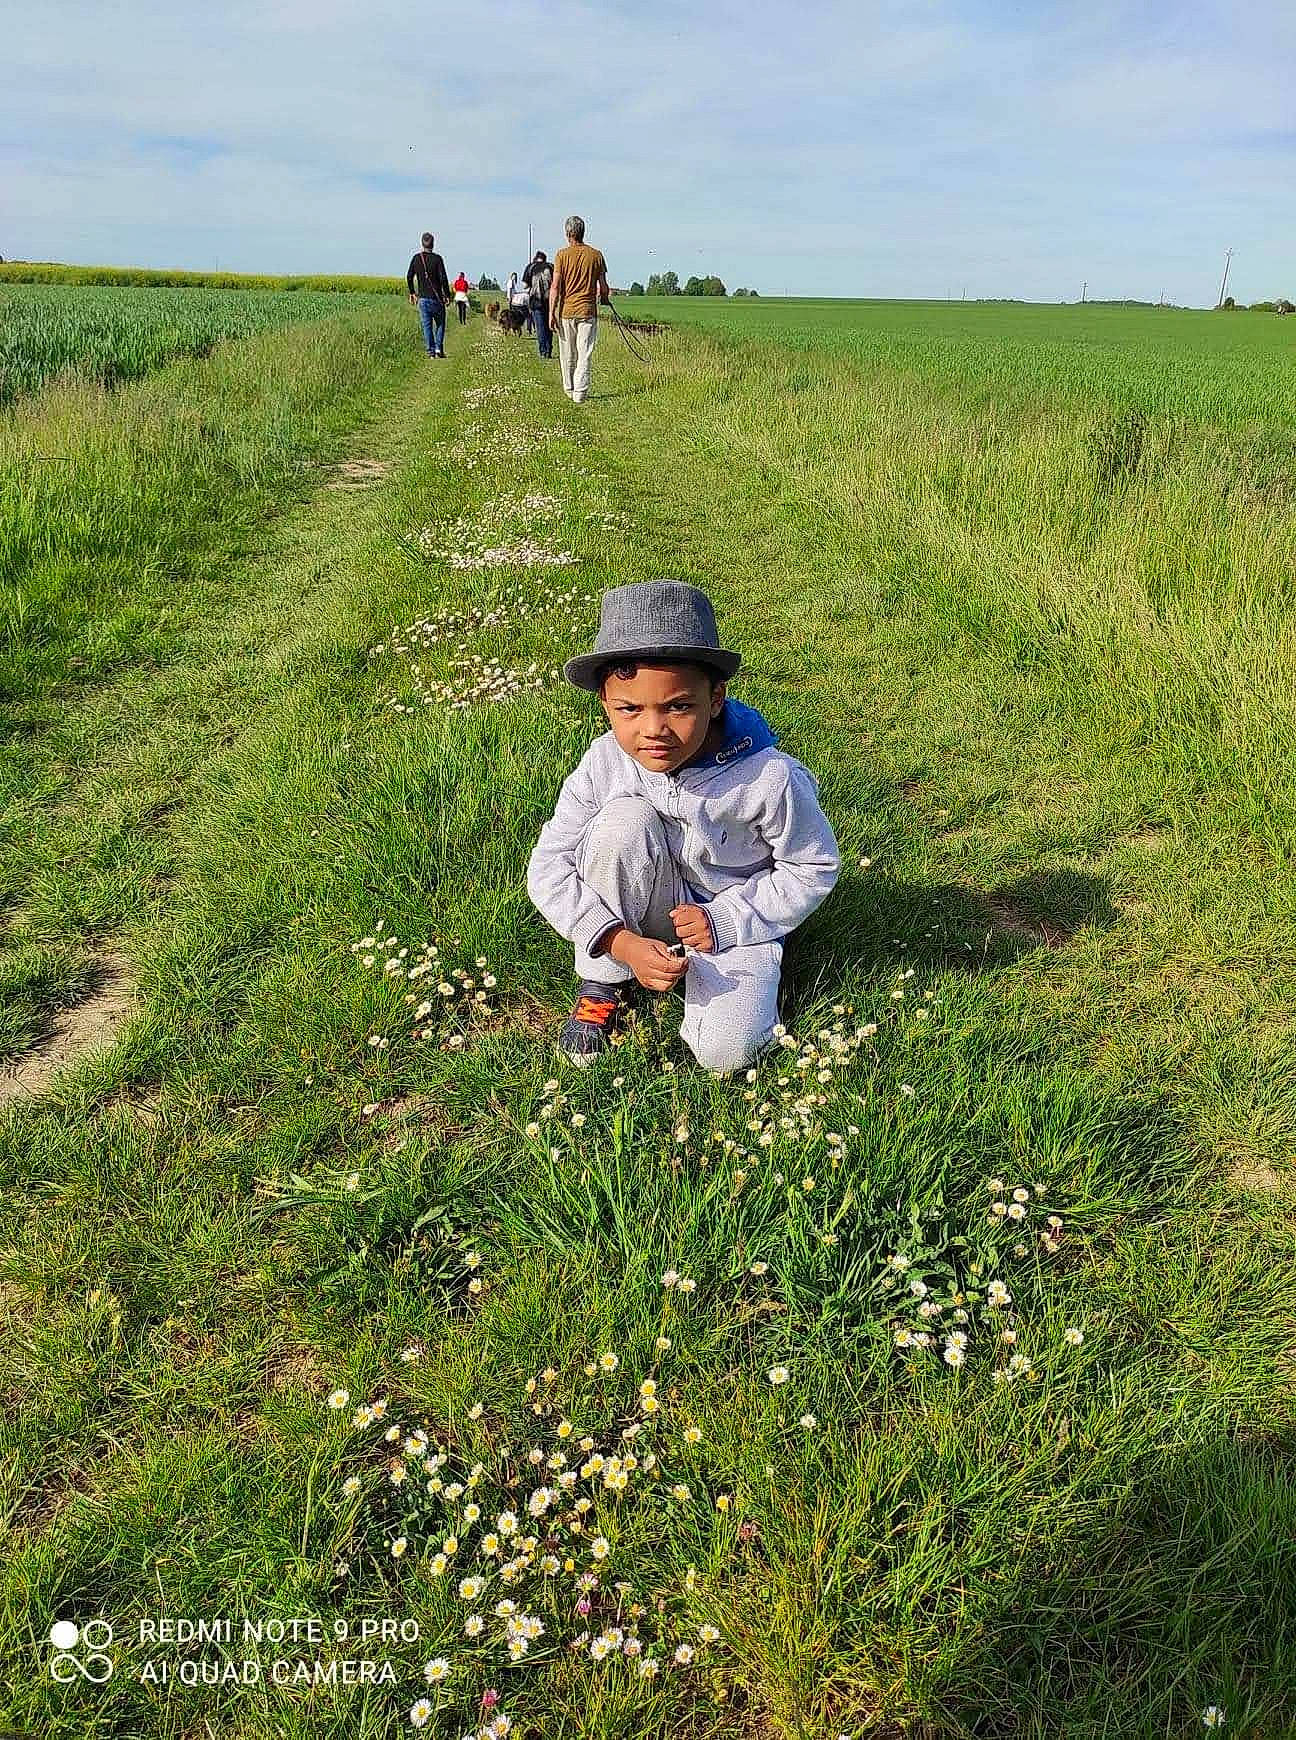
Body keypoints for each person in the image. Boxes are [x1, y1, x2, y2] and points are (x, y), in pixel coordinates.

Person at [527, 580, 840, 1070]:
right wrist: (619, 941)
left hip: (735, 922)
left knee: (728, 1053)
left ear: (715, 699)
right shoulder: (604, 762)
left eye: (678, 706)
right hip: (643, 906)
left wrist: (727, 920)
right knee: (621, 823)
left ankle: (741, 976)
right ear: (605, 705)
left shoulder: (769, 777)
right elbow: (549, 865)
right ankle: (605, 979)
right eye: (628, 709)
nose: (653, 729)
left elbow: (812, 868)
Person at [549, 216, 609, 403]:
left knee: (567, 353)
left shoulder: (561, 255)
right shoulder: (596, 255)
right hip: (587, 312)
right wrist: (605, 298)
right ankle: (580, 393)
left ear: (568, 233)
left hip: (567, 312)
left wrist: (551, 312)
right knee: (585, 353)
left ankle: (569, 388)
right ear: (583, 232)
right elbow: (604, 286)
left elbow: (555, 287)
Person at [406, 232, 452, 358]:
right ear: (433, 244)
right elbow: (443, 278)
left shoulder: (416, 258)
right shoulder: (437, 259)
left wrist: (412, 293)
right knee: (441, 323)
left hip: (423, 299)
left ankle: (431, 351)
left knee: (427, 326)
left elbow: (409, 276)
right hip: (436, 299)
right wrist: (447, 295)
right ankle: (438, 348)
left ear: (422, 243)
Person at [523, 250, 553, 358]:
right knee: (549, 326)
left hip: (536, 301)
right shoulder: (551, 267)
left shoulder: (530, 267)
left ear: (535, 258)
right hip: (550, 301)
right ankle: (549, 350)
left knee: (540, 327)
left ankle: (543, 351)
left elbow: (525, 285)